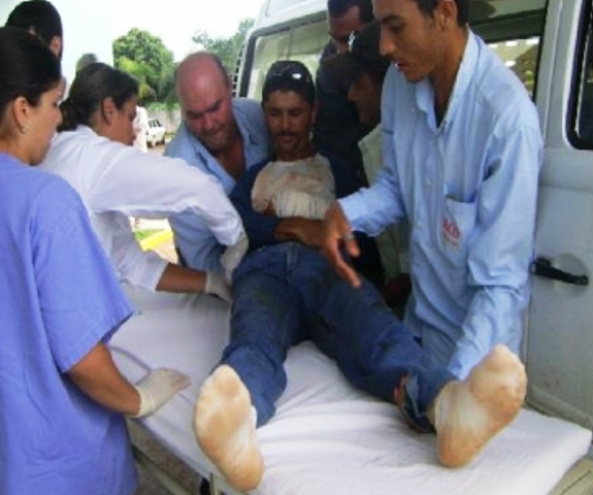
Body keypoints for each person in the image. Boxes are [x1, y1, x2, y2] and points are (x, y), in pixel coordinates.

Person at [191, 59, 525, 492]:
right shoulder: (253, 179)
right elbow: (232, 231)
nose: (285, 125)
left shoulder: (341, 172)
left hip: (327, 270)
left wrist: (340, 256)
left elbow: (362, 241)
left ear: (313, 113)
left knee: (373, 328)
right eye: (275, 113)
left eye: (295, 113)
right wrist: (290, 227)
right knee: (254, 339)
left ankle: (443, 406)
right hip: (265, 274)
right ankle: (240, 423)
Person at [0, 26, 188, 495]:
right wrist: (138, 398)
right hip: (63, 463)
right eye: (53, 103)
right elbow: (82, 355)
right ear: (22, 110)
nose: (59, 118)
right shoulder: (45, 201)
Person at [38, 62, 247, 302]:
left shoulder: (68, 151)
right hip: (83, 311)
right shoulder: (91, 157)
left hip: (81, 302)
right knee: (221, 327)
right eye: (130, 117)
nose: (134, 132)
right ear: (109, 110)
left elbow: (130, 262)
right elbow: (199, 188)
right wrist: (236, 240)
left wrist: (211, 281)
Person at [323, 20, 411, 306]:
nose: (351, 95)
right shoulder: (376, 143)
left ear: (389, 87)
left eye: (359, 84)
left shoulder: (413, 146)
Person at [165, 52, 270, 271]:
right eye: (194, 116)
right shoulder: (175, 169)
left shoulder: (256, 115)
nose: (209, 124)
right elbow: (204, 263)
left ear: (230, 87)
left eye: (215, 108)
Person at [313, 0, 374, 182]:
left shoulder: (398, 63)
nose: (341, 51)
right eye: (335, 39)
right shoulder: (328, 75)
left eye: (349, 39)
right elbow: (333, 142)